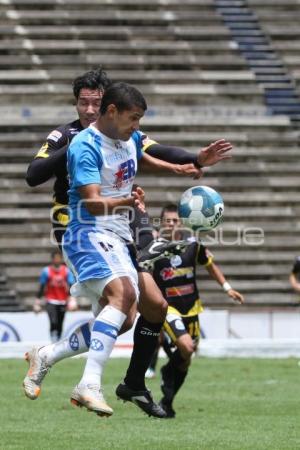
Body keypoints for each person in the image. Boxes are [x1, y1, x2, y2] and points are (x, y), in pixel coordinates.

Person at [23, 68, 234, 417]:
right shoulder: (76, 139)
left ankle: (65, 360)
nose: (89, 109)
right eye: (84, 103)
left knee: (141, 310)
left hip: (119, 226)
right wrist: (124, 197)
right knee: (122, 298)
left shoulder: (125, 134)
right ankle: (90, 383)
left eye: (95, 102)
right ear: (111, 110)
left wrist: (189, 163)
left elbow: (147, 154)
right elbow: (37, 176)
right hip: (83, 227)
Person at [145, 204, 244, 418]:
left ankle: (167, 401)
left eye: (176, 221)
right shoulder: (153, 248)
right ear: (161, 223)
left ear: (182, 223)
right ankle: (166, 379)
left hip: (191, 308)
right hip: (168, 309)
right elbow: (144, 275)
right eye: (168, 221)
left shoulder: (193, 245)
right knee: (187, 348)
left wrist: (227, 288)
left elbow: (210, 265)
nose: (172, 224)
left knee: (186, 359)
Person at [33, 251, 75, 342]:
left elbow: (71, 286)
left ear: (61, 259)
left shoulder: (66, 271)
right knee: (53, 321)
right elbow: (42, 287)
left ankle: (58, 340)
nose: (57, 260)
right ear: (52, 260)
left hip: (63, 301)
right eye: (55, 258)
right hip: (51, 301)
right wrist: (37, 301)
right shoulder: (46, 271)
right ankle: (53, 340)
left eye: (58, 258)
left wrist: (72, 299)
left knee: (60, 323)